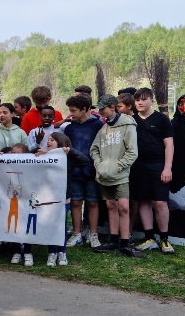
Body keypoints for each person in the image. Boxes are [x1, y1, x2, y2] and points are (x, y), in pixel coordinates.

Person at [91, 97, 144, 258]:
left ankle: (125, 243)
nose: (100, 112)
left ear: (112, 107)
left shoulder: (128, 125)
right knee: (111, 206)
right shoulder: (104, 128)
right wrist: (100, 165)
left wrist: (118, 166)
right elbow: (94, 149)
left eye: (103, 109)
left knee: (124, 207)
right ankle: (113, 240)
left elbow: (132, 152)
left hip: (120, 175)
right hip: (104, 174)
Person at [34, 132, 90, 266]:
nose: (48, 142)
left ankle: (62, 252)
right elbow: (27, 156)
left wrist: (71, 151)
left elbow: (85, 161)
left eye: (52, 140)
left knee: (61, 225)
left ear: (60, 142)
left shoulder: (67, 158)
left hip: (63, 198)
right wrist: (38, 150)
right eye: (48, 140)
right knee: (50, 225)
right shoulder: (44, 156)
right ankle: (52, 253)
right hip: (47, 198)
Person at [130, 88, 175, 254]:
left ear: (152, 101)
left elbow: (169, 145)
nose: (140, 102)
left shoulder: (162, 119)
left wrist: (167, 168)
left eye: (143, 99)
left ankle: (164, 239)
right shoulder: (131, 120)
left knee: (160, 203)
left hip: (158, 165)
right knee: (143, 202)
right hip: (137, 166)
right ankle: (149, 238)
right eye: (137, 100)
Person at [63, 95, 105, 248]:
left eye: (74, 111)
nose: (71, 114)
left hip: (93, 171)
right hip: (74, 171)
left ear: (85, 109)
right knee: (76, 202)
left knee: (93, 202)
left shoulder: (98, 126)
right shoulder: (69, 128)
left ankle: (93, 234)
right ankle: (76, 234)